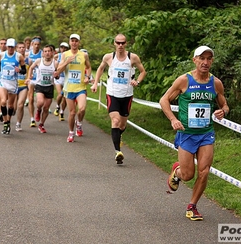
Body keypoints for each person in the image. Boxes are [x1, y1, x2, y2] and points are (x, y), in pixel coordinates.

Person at [159, 45, 229, 221]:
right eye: (202, 58)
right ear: (195, 60)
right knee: (188, 175)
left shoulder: (216, 83)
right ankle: (177, 171)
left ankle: (192, 206)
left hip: (206, 133)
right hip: (187, 133)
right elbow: (164, 100)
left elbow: (224, 104)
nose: (205, 62)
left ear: (211, 61)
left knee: (204, 171)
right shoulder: (184, 80)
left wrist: (224, 111)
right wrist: (173, 119)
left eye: (208, 59)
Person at [91, 33, 146, 164]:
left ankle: (118, 136)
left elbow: (143, 71)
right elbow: (100, 69)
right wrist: (95, 83)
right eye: (118, 43)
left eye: (123, 43)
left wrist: (137, 81)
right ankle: (118, 152)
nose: (120, 45)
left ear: (126, 43)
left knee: (122, 124)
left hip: (127, 95)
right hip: (112, 94)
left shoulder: (132, 57)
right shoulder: (109, 57)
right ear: (114, 43)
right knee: (115, 121)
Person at [55, 33, 92, 143]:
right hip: (69, 88)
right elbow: (58, 70)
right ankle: (71, 133)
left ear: (79, 42)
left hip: (80, 87)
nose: (74, 43)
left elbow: (89, 67)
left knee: (82, 109)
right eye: (72, 40)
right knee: (72, 113)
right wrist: (66, 62)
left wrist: (87, 76)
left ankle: (79, 123)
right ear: (70, 42)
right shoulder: (65, 54)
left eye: (76, 41)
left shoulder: (83, 55)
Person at [0, 38, 26, 134]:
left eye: (12, 47)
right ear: (6, 47)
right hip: (3, 81)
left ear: (15, 47)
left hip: (13, 83)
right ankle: (5, 122)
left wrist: (19, 70)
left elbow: (24, 71)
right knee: (3, 101)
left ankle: (8, 120)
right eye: (9, 47)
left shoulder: (19, 57)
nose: (10, 49)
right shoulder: (1, 55)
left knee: (11, 105)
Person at [27, 44, 58, 133]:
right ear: (43, 53)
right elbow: (31, 68)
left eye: (49, 51)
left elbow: (57, 75)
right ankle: (38, 110)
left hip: (49, 86)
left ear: (52, 53)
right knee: (40, 102)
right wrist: (29, 77)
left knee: (46, 108)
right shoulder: (38, 61)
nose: (47, 53)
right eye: (45, 51)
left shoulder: (55, 63)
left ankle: (41, 124)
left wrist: (57, 76)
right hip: (40, 85)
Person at [26, 36, 43, 127]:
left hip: (40, 79)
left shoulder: (43, 54)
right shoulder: (28, 54)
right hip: (32, 78)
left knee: (41, 101)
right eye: (35, 44)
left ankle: (39, 110)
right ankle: (32, 119)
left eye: (38, 44)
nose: (36, 46)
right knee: (31, 98)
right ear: (32, 44)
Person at [14, 41, 30, 131]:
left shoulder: (28, 60)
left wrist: (29, 79)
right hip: (13, 85)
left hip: (23, 85)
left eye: (23, 47)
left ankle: (18, 123)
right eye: (19, 47)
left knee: (20, 105)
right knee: (13, 107)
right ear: (16, 48)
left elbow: (30, 71)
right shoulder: (13, 58)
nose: (21, 49)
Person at [53, 42, 69, 121]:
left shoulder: (69, 56)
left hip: (66, 79)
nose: (63, 49)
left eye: (65, 48)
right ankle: (57, 106)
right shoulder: (57, 56)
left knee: (65, 97)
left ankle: (62, 112)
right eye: (62, 47)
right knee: (60, 94)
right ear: (60, 48)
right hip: (59, 78)